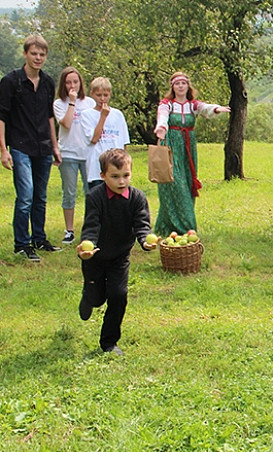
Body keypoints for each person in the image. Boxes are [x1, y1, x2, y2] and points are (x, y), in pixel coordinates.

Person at [77, 148, 156, 356]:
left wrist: (144, 241)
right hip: (95, 257)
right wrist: (88, 245)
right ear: (102, 176)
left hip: (119, 257)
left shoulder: (137, 198)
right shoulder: (95, 197)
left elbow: (142, 224)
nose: (121, 181)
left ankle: (109, 343)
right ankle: (89, 297)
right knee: (97, 298)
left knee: (118, 295)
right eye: (115, 176)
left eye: (126, 176)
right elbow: (91, 225)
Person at [0, 35, 62, 261]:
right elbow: (1, 116)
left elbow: (49, 116)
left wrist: (55, 146)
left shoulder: (47, 82)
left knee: (41, 197)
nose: (38, 58)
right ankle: (21, 244)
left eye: (42, 54)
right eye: (34, 53)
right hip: (19, 145)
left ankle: (39, 238)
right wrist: (3, 150)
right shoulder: (11, 81)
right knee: (25, 196)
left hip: (43, 147)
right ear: (25, 53)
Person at [154, 71, 230, 235]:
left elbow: (206, 108)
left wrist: (217, 109)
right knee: (175, 182)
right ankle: (186, 227)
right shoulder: (167, 104)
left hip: (188, 146)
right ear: (172, 87)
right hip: (171, 145)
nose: (180, 86)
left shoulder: (192, 105)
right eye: (177, 83)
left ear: (188, 86)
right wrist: (161, 128)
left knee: (187, 183)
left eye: (183, 83)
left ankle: (170, 226)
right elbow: (162, 116)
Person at [54, 67, 95, 245]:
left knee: (91, 192)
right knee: (69, 193)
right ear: (63, 84)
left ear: (80, 83)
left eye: (75, 82)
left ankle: (90, 228)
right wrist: (71, 102)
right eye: (68, 82)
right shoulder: (58, 104)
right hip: (68, 153)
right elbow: (66, 124)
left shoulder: (90, 102)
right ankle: (69, 230)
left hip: (88, 154)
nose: (72, 85)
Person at [80, 77, 130, 189]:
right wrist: (103, 116)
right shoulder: (86, 115)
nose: (102, 99)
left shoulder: (118, 114)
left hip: (116, 168)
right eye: (98, 95)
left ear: (110, 94)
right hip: (96, 168)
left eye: (105, 95)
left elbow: (123, 143)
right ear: (92, 94)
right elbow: (94, 139)